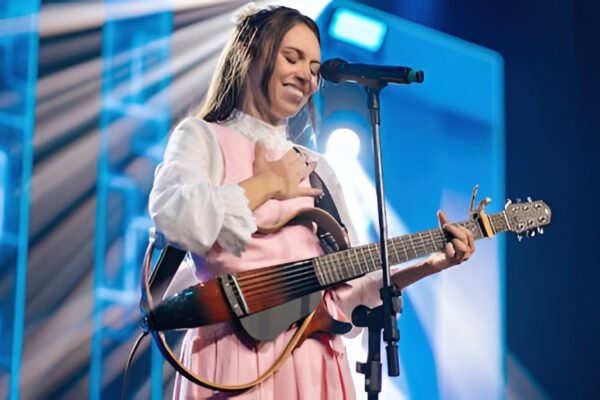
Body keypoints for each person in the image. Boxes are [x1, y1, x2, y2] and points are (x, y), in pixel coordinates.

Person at [148, 4, 475, 399]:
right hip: (234, 358)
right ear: (251, 55)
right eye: (293, 58)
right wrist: (268, 183)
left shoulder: (317, 169)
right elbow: (175, 219)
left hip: (317, 362)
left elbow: (352, 294)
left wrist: (432, 264)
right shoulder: (203, 137)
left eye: (315, 67)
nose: (306, 74)